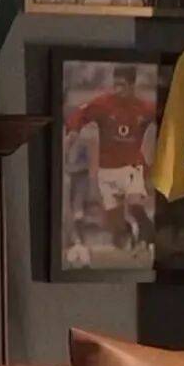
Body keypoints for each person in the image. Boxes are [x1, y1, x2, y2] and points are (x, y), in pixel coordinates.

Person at [64, 65, 157, 256]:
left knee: (135, 204)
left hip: (131, 166)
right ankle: (129, 237)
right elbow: (80, 115)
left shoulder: (144, 107)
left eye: (122, 85)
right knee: (114, 222)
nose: (118, 89)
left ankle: (148, 238)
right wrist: (72, 134)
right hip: (107, 170)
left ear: (132, 85)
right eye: (116, 85)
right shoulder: (103, 104)